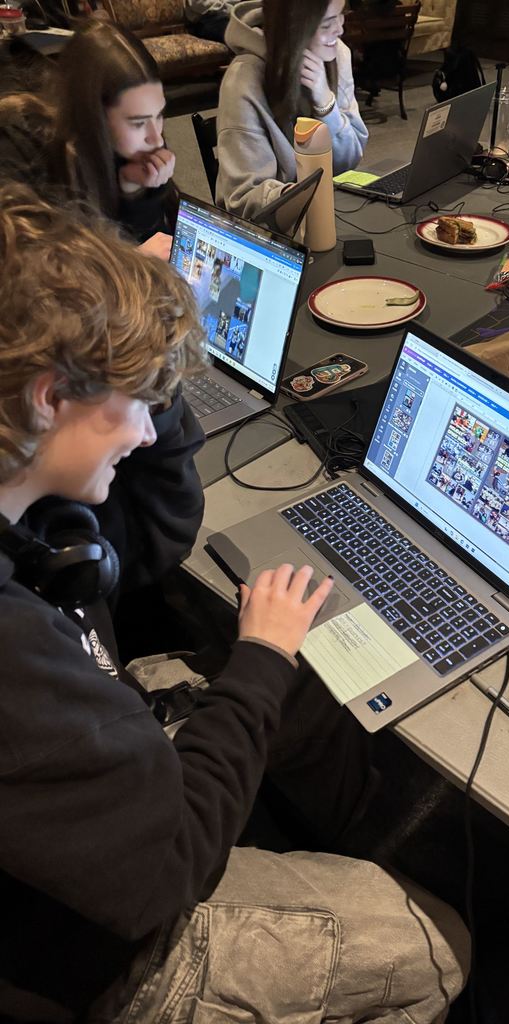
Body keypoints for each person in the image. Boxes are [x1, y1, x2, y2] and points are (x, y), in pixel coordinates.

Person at [0, 183, 469, 1023]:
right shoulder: (12, 651)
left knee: (302, 691)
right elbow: (166, 864)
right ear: (46, 397)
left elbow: (143, 543)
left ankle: (335, 854)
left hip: (99, 800)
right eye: (134, 402)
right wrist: (256, 657)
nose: (148, 432)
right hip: (105, 947)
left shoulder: (28, 515)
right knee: (440, 945)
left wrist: (148, 352)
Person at [0, 20, 176, 259]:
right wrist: (130, 260)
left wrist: (133, 190)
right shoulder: (22, 148)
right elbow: (33, 272)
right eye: (137, 122)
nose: (156, 139)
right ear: (95, 118)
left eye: (160, 115)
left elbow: (154, 239)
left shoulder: (140, 145)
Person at [217, 0, 368, 220]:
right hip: (277, 231)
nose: (340, 29)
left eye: (341, 15)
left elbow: (349, 161)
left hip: (326, 210)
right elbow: (242, 200)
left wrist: (325, 103)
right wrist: (300, 195)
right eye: (327, 24)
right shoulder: (243, 80)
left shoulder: (337, 54)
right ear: (295, 29)